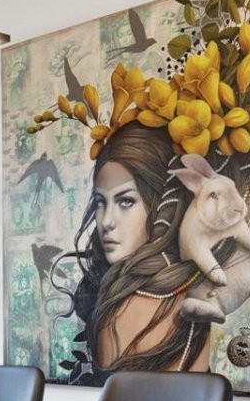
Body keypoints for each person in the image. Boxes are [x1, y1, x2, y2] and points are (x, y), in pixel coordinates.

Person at [51, 123, 212, 380]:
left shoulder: (163, 299)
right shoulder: (190, 293)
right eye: (101, 202)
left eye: (126, 201)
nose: (106, 221)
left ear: (162, 205)